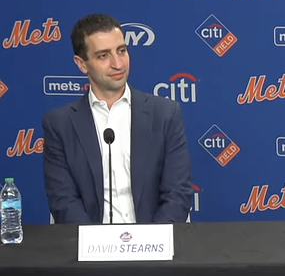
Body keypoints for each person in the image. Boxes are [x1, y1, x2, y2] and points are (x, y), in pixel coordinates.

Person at [42, 13, 193, 224]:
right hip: (91, 249)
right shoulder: (60, 124)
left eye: (121, 51)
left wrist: (150, 244)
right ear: (81, 64)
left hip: (155, 247)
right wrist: (97, 246)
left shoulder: (165, 114)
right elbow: (63, 201)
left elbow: (178, 193)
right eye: (103, 56)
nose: (117, 64)